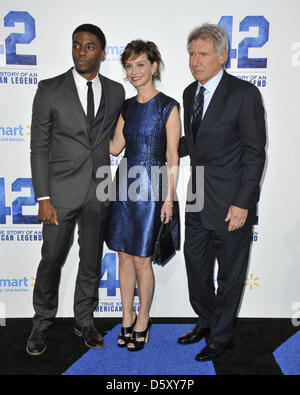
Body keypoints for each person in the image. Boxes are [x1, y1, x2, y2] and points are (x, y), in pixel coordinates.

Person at [26, 24, 125, 356]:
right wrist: (43, 197)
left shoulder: (115, 92)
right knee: (52, 259)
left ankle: (84, 320)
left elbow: (116, 140)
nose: (82, 52)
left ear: (102, 52)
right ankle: (41, 323)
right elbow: (39, 148)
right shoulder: (50, 89)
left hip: (99, 192)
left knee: (91, 261)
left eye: (90, 46)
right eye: (77, 45)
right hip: (59, 194)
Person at [178, 24, 266, 361]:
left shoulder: (244, 94)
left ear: (222, 56)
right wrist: (161, 144)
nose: (195, 61)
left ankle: (223, 336)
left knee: (230, 275)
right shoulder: (189, 93)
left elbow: (255, 153)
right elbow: (195, 144)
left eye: (202, 54)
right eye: (191, 54)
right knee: (196, 268)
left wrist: (243, 202)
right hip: (196, 197)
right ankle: (206, 320)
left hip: (231, 203)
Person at [106, 40, 181, 352]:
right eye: (129, 65)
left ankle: (143, 320)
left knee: (141, 258)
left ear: (154, 67)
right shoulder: (126, 106)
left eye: (140, 64)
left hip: (152, 188)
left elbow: (173, 157)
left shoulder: (168, 106)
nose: (134, 71)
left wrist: (168, 199)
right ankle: (126, 316)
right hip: (124, 184)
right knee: (122, 254)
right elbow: (114, 147)